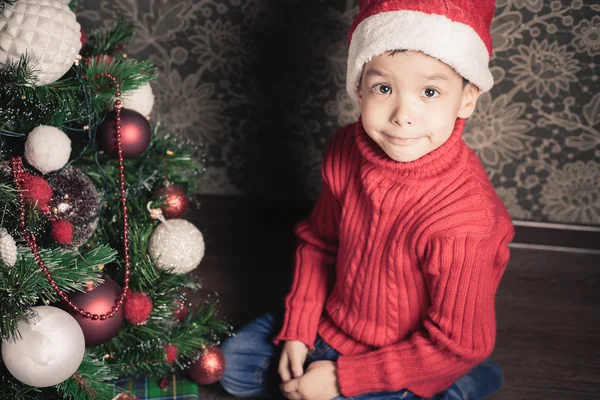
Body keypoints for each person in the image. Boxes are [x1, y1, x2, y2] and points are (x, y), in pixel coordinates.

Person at [219, 0, 514, 399]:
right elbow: (320, 243)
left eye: (430, 91)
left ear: (466, 99)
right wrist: (300, 328)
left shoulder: (466, 219)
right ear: (359, 88)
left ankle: (456, 383)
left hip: (403, 353)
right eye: (384, 88)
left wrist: (343, 378)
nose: (402, 115)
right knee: (233, 369)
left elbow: (458, 343)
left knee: (443, 365)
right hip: (335, 323)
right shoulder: (345, 149)